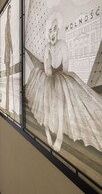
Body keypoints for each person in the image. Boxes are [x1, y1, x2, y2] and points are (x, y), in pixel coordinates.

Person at [26, 13, 102, 152]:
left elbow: (65, 68)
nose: (52, 33)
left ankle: (59, 136)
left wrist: (58, 82)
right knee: (46, 103)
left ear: (58, 30)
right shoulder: (46, 48)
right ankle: (48, 133)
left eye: (55, 29)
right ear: (47, 32)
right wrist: (48, 54)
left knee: (60, 100)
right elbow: (48, 72)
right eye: (50, 30)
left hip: (61, 78)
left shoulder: (63, 45)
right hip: (48, 79)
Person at [4, 5, 13, 111]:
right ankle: (7, 105)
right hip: (7, 55)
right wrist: (12, 51)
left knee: (8, 78)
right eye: (9, 12)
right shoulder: (7, 25)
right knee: (7, 78)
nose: (10, 15)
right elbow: (9, 39)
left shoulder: (7, 24)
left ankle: (7, 104)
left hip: (7, 54)